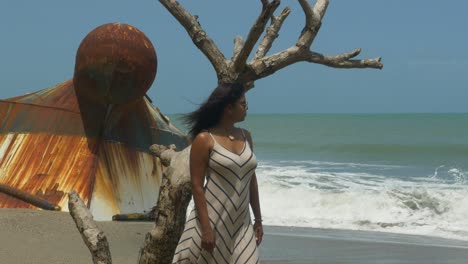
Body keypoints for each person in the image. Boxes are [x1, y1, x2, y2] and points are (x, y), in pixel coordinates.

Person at [172, 83, 263, 263]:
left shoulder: (246, 136)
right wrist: (206, 228)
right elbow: (197, 186)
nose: (246, 108)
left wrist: (258, 219)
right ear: (229, 108)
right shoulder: (205, 139)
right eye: (243, 104)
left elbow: (251, 180)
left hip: (241, 225)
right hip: (211, 221)